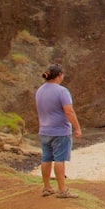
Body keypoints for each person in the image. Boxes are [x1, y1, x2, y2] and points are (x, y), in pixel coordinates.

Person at [35, 64, 82, 198]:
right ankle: (62, 190)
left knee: (46, 158)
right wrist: (77, 128)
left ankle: (46, 187)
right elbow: (69, 111)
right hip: (60, 131)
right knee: (59, 160)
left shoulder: (40, 91)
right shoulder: (62, 91)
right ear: (59, 75)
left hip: (44, 130)